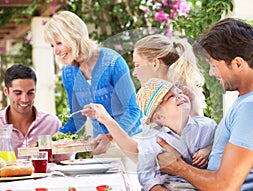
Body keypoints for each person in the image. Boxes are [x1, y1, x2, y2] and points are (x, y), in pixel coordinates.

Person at [156, 18, 253, 191]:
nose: (211, 73)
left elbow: (224, 189)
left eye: (214, 65)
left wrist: (177, 166)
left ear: (238, 64)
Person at [43, 11, 142, 154]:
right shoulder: (68, 73)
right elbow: (77, 118)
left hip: (132, 141)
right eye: (52, 45)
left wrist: (111, 137)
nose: (56, 52)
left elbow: (133, 110)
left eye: (59, 43)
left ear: (74, 37)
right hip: (101, 146)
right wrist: (56, 139)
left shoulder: (111, 61)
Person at [135, 78, 216, 191]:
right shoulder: (152, 139)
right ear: (158, 116)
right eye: (170, 97)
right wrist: (157, 190)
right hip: (162, 184)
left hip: (191, 185)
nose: (179, 96)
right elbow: (144, 171)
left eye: (180, 92)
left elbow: (226, 145)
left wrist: (209, 149)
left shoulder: (207, 126)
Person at [133, 34, 206, 117]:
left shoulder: (177, 102)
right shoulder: (169, 96)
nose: (134, 73)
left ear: (155, 64)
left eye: (137, 65)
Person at [0, 64, 61, 158]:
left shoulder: (51, 123)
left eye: (30, 93)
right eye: (18, 93)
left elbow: (66, 163)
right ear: (6, 91)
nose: (25, 99)